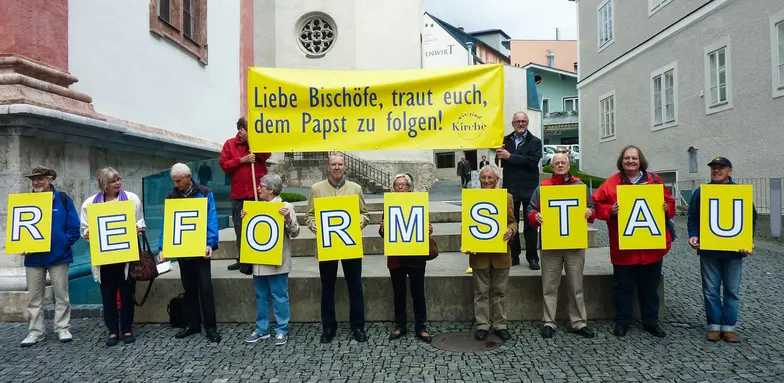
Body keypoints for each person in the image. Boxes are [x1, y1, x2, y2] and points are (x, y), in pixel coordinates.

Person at [593, 145, 676, 338]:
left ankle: (651, 322)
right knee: (623, 288)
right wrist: (610, 211)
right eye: (627, 158)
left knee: (650, 288)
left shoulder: (654, 181)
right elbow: (597, 205)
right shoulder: (611, 183)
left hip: (651, 247)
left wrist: (665, 208)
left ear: (641, 161)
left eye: (634, 158)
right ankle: (623, 321)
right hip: (624, 249)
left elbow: (670, 203)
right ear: (621, 161)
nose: (630, 161)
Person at [687, 157, 757, 343]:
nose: (716, 170)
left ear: (730, 171)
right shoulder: (702, 192)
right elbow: (692, 217)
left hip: (734, 251)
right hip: (709, 250)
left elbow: (751, 218)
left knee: (732, 291)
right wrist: (693, 235)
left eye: (721, 168)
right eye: (713, 168)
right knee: (710, 290)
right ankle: (714, 326)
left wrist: (748, 239)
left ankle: (729, 327)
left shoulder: (739, 192)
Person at [526, 154, 596, 339]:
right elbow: (530, 209)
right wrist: (535, 217)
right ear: (552, 167)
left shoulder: (580, 186)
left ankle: (579, 322)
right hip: (551, 244)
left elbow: (592, 209)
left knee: (576, 285)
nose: (559, 165)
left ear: (569, 164)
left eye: (563, 162)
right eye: (556, 163)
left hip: (574, 243)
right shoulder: (543, 188)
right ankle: (549, 322)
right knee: (549, 285)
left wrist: (590, 212)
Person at [305, 153, 370, 343]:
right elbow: (309, 215)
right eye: (333, 164)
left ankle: (358, 326)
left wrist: (360, 222)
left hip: (350, 244)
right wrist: (313, 224)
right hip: (327, 246)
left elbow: (365, 213)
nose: (337, 167)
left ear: (345, 166)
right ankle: (328, 327)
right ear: (328, 166)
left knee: (355, 286)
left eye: (340, 164)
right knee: (327, 287)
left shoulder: (355, 188)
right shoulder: (316, 189)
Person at [80, 168, 146, 346]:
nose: (118, 183)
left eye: (119, 179)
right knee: (108, 294)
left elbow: (140, 221)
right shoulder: (90, 204)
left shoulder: (132, 200)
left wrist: (138, 229)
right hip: (104, 258)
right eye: (113, 181)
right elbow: (84, 227)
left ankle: (127, 328)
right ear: (104, 184)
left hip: (125, 256)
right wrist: (87, 233)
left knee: (126, 293)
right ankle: (112, 331)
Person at [157, 163, 221, 343]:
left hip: (200, 249)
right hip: (183, 250)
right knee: (189, 289)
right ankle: (193, 325)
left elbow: (211, 218)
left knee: (206, 289)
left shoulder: (205, 192)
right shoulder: (172, 196)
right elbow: (167, 222)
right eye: (174, 181)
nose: (176, 184)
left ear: (188, 177)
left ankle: (211, 327)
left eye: (179, 181)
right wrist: (163, 247)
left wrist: (210, 243)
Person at [19, 166, 80, 347]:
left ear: (50, 179)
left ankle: (62, 328)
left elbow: (74, 227)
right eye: (33, 179)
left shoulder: (63, 199)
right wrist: (22, 244)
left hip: (58, 256)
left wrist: (63, 243)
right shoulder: (25, 201)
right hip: (33, 257)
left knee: (62, 295)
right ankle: (36, 331)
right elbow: (18, 227)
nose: (36, 182)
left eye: (40, 179)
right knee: (34, 297)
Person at [241, 174, 300, 346]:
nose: (258, 188)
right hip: (259, 260)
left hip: (277, 261)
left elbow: (295, 232)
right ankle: (262, 329)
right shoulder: (257, 207)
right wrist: (245, 218)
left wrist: (288, 218)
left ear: (271, 190)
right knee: (261, 296)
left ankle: (282, 330)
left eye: (262, 186)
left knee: (280, 296)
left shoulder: (286, 206)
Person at [379, 173, 434, 343]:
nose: (401, 187)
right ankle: (400, 325)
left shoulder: (418, 203)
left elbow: (423, 227)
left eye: (404, 185)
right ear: (394, 188)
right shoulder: (389, 205)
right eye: (397, 185)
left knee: (418, 293)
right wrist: (383, 228)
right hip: (396, 257)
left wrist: (428, 230)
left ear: (410, 187)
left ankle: (421, 327)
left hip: (416, 256)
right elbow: (383, 234)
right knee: (399, 292)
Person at [467, 165, 518, 341]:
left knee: (500, 291)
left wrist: (511, 231)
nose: (487, 181)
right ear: (479, 180)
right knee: (480, 292)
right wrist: (467, 241)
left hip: (501, 254)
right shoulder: (471, 198)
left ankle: (500, 324)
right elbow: (466, 225)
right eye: (483, 178)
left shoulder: (507, 198)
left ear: (497, 179)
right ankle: (482, 325)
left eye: (490, 178)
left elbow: (513, 222)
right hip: (479, 254)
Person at [219, 117, 272, 271]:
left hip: (258, 192)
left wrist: (251, 142)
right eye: (251, 129)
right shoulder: (230, 144)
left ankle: (260, 257)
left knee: (260, 225)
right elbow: (224, 164)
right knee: (240, 227)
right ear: (241, 129)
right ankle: (243, 259)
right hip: (239, 193)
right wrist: (241, 160)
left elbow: (266, 154)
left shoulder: (257, 141)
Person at [496, 111, 543, 270]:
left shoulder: (535, 142)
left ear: (527, 123)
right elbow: (501, 159)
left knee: (531, 225)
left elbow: (532, 161)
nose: (521, 123)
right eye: (518, 121)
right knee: (511, 222)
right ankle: (514, 255)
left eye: (523, 121)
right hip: (510, 188)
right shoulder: (505, 141)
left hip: (529, 188)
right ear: (513, 123)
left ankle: (532, 257)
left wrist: (510, 157)